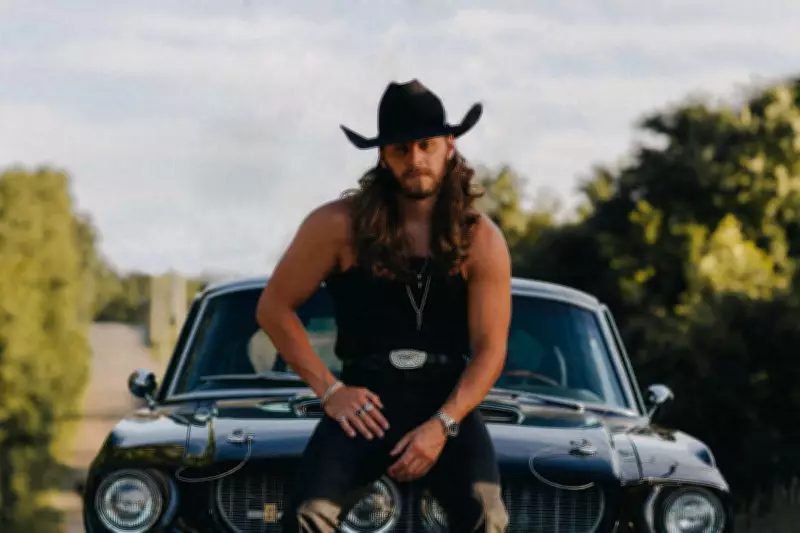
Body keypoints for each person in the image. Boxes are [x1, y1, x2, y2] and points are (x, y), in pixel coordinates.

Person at [255, 78, 512, 532]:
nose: (415, 160)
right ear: (382, 156)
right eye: (400, 149)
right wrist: (330, 392)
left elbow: (490, 350)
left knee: (486, 515)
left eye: (426, 145)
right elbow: (273, 308)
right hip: (366, 402)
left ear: (449, 147)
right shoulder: (336, 225)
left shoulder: (481, 238)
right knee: (307, 514)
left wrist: (443, 424)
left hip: (446, 401)